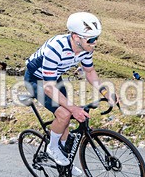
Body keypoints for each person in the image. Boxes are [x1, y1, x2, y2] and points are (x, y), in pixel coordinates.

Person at [24, 12, 114, 167]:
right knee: (64, 113)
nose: (95, 43)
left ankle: (63, 163)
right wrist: (73, 109)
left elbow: (90, 72)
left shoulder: (86, 49)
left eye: (97, 38)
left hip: (54, 78)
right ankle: (52, 148)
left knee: (66, 117)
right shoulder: (56, 48)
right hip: (36, 80)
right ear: (75, 37)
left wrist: (105, 92)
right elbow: (48, 87)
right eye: (91, 39)